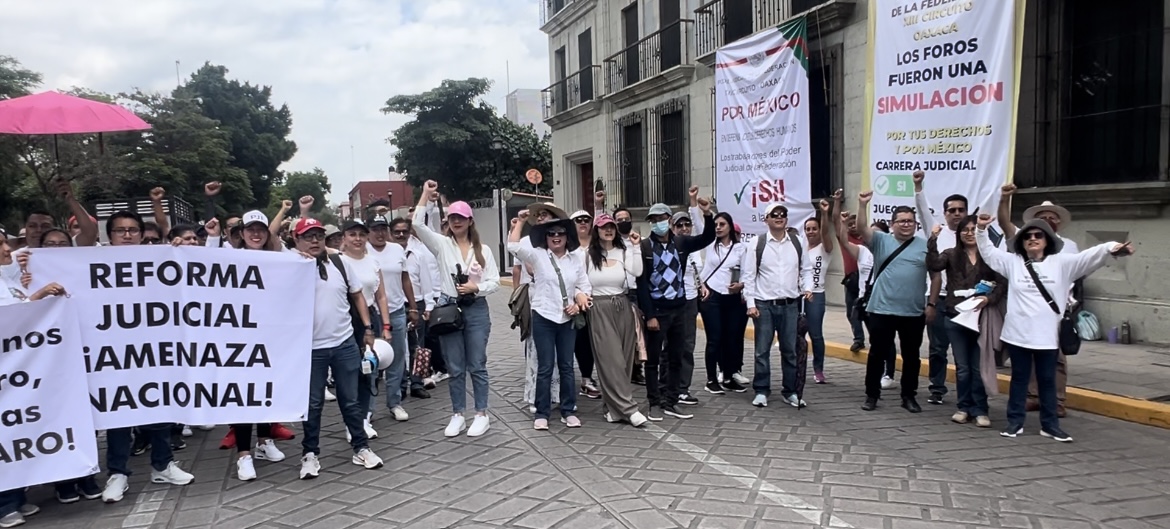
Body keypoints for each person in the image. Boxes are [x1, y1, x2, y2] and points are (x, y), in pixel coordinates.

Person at [976, 214, 1133, 441]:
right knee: (1019, 379)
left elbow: (1091, 256)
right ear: (1021, 242)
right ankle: (1014, 423)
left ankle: (1050, 425)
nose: (1032, 239)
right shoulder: (1013, 263)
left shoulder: (1063, 264)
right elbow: (989, 253)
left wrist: (1111, 247)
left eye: (1038, 235)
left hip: (1047, 336)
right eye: (1027, 236)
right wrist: (981, 229)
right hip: (1017, 334)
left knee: (1047, 380)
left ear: (1047, 240)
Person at [292, 218, 385, 479]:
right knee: (312, 403)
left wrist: (368, 328)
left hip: (344, 342)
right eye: (308, 237)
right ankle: (310, 454)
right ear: (296, 240)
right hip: (311, 348)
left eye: (318, 236)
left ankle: (361, 447)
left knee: (351, 400)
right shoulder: (290, 266)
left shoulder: (340, 263)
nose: (314, 241)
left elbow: (357, 294)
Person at [412, 181, 500, 438]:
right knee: (455, 366)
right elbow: (417, 225)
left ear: (470, 221)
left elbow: (494, 281)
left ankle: (481, 413)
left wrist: (476, 288)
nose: (456, 222)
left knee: (477, 364)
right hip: (448, 306)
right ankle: (458, 413)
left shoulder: (483, 250)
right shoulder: (441, 245)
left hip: (475, 308)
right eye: (452, 218)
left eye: (461, 218)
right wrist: (425, 196)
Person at [0, 227, 70, 528]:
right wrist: (38, 297)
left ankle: (14, 497)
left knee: (18, 432)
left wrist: (29, 290)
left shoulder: (7, 278)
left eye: (4, 242)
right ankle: (5, 505)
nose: (6, 249)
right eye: (1, 244)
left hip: (19, 372)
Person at [998, 185, 1078, 416]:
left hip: (1057, 311)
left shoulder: (1069, 246)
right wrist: (1005, 199)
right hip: (1028, 313)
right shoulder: (1026, 241)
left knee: (1057, 360)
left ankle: (1058, 400)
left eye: (1052, 218)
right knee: (1028, 358)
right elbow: (1004, 223)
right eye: (1042, 218)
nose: (1047, 220)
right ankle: (1033, 397)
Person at [508, 209, 590, 430]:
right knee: (545, 366)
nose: (556, 236)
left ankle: (568, 410)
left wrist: (579, 299)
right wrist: (521, 222)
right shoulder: (537, 254)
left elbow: (584, 285)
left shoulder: (575, 259)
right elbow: (512, 247)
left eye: (561, 233)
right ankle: (542, 412)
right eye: (551, 233)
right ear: (545, 236)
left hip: (568, 319)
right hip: (543, 315)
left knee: (566, 365)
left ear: (567, 237)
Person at [856, 191, 934, 413]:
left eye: (910, 221)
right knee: (877, 354)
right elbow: (862, 228)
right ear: (892, 224)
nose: (906, 224)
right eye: (902, 221)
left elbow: (936, 276)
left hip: (913, 311)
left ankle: (908, 396)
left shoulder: (924, 245)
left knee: (912, 357)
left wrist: (932, 303)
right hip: (882, 309)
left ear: (916, 224)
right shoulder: (881, 240)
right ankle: (872, 395)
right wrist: (862, 205)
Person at [637, 201, 715, 420]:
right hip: (658, 311)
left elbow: (706, 238)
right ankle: (654, 402)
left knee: (676, 357)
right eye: (653, 220)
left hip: (679, 309)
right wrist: (650, 315)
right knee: (652, 361)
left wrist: (707, 214)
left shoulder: (680, 243)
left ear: (669, 221)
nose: (658, 223)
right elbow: (642, 285)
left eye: (661, 219)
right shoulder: (644, 248)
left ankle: (671, 401)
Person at [927, 217, 1006, 428]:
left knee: (979, 366)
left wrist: (988, 299)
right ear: (959, 233)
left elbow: (1002, 283)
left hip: (982, 317)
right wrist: (932, 239)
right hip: (956, 316)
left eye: (974, 229)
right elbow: (934, 264)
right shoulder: (952, 254)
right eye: (965, 230)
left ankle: (980, 409)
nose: (969, 233)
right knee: (962, 368)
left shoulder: (990, 256)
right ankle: (963, 407)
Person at [742, 203, 813, 408]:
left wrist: (807, 287)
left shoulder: (797, 242)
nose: (779, 217)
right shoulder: (758, 243)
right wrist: (751, 304)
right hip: (764, 305)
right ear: (766, 219)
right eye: (775, 215)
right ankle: (762, 390)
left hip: (790, 304)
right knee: (762, 350)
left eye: (783, 214)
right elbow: (749, 276)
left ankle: (790, 391)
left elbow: (806, 270)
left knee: (790, 350)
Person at [584, 214, 648, 426]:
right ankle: (629, 409)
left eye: (612, 227)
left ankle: (612, 409)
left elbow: (637, 271)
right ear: (597, 230)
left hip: (622, 305)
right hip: (599, 308)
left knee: (625, 360)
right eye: (604, 227)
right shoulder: (587, 255)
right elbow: (580, 282)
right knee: (611, 360)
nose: (608, 231)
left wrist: (636, 246)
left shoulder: (624, 251)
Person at [913, 170, 966, 405]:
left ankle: (968, 393)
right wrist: (918, 186)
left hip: (966, 302)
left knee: (964, 350)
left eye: (960, 210)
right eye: (951, 210)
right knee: (937, 348)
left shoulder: (973, 235)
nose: (956, 214)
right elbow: (923, 211)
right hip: (938, 299)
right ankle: (937, 388)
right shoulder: (936, 232)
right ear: (944, 214)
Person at [338, 218, 392, 440]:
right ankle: (350, 422)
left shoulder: (373, 262)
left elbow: (381, 296)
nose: (357, 239)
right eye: (352, 235)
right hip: (344, 319)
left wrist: (386, 327)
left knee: (369, 371)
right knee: (349, 372)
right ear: (344, 238)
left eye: (361, 234)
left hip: (370, 320)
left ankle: (363, 418)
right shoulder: (337, 261)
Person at [698, 212, 748, 395]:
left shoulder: (741, 248)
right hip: (712, 295)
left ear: (730, 227)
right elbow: (698, 223)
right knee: (715, 338)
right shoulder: (711, 245)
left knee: (732, 338)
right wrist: (702, 210)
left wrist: (741, 285)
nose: (718, 227)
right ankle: (711, 379)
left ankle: (728, 376)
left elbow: (747, 272)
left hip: (733, 296)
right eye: (716, 224)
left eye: (722, 224)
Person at [803, 199, 835, 384]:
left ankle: (818, 369)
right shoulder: (801, 247)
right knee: (797, 334)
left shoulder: (825, 248)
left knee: (815, 334)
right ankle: (798, 365)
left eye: (813, 228)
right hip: (799, 295)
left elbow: (825, 233)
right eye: (807, 229)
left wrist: (824, 214)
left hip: (816, 295)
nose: (811, 232)